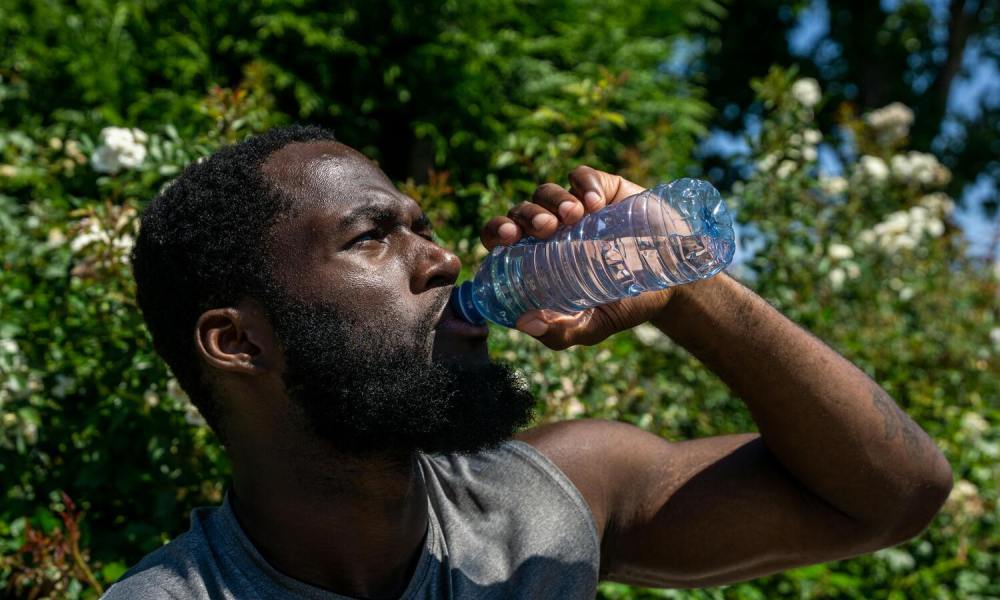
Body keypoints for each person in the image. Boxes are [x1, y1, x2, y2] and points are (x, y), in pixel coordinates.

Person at [104, 124, 952, 599]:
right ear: (239, 341)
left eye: (423, 228)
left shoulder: (547, 503)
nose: (438, 260)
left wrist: (685, 287)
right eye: (371, 237)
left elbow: (893, 495)